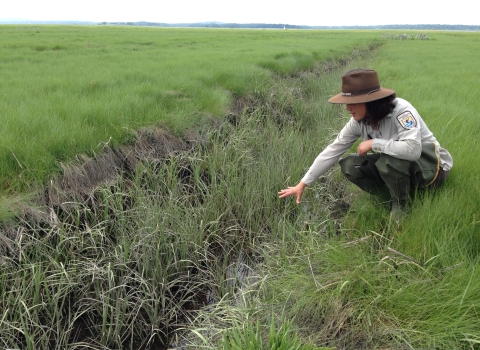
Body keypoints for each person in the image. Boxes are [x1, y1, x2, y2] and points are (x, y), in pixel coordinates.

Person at [278, 68, 453, 220]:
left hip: (432, 168)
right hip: (402, 166)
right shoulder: (358, 121)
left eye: (352, 103)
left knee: (388, 160)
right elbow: (333, 150)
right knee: (350, 165)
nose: (347, 108)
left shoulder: (402, 111)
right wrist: (303, 183)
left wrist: (374, 143)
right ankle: (390, 196)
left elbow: (413, 150)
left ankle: (401, 206)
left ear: (371, 101)